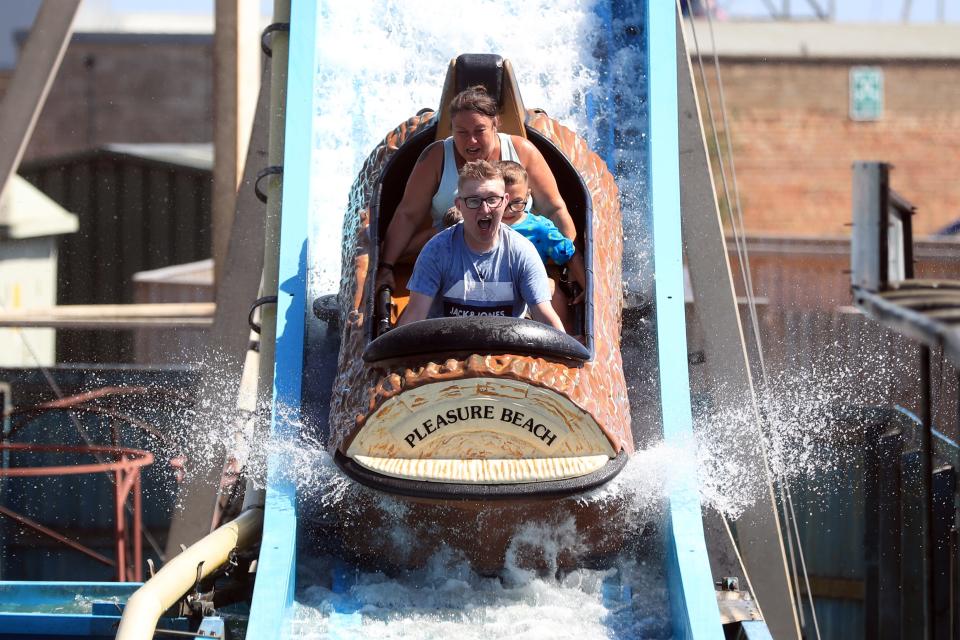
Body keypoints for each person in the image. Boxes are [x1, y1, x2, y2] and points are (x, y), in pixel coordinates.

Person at [376, 85, 576, 292]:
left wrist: (570, 266)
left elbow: (554, 208)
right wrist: (385, 267)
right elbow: (408, 214)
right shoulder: (436, 158)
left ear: (495, 124)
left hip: (518, 264)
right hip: (453, 260)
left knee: (552, 302)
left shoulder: (522, 151)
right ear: (452, 128)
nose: (471, 141)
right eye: (461, 132)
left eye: (479, 131)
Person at [399, 160, 564, 332]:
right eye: (473, 201)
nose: (485, 210)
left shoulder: (522, 252)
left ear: (505, 201)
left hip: (506, 349)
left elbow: (544, 315)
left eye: (492, 199)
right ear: (459, 205)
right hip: (446, 349)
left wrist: (566, 353)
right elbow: (415, 316)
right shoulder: (436, 251)